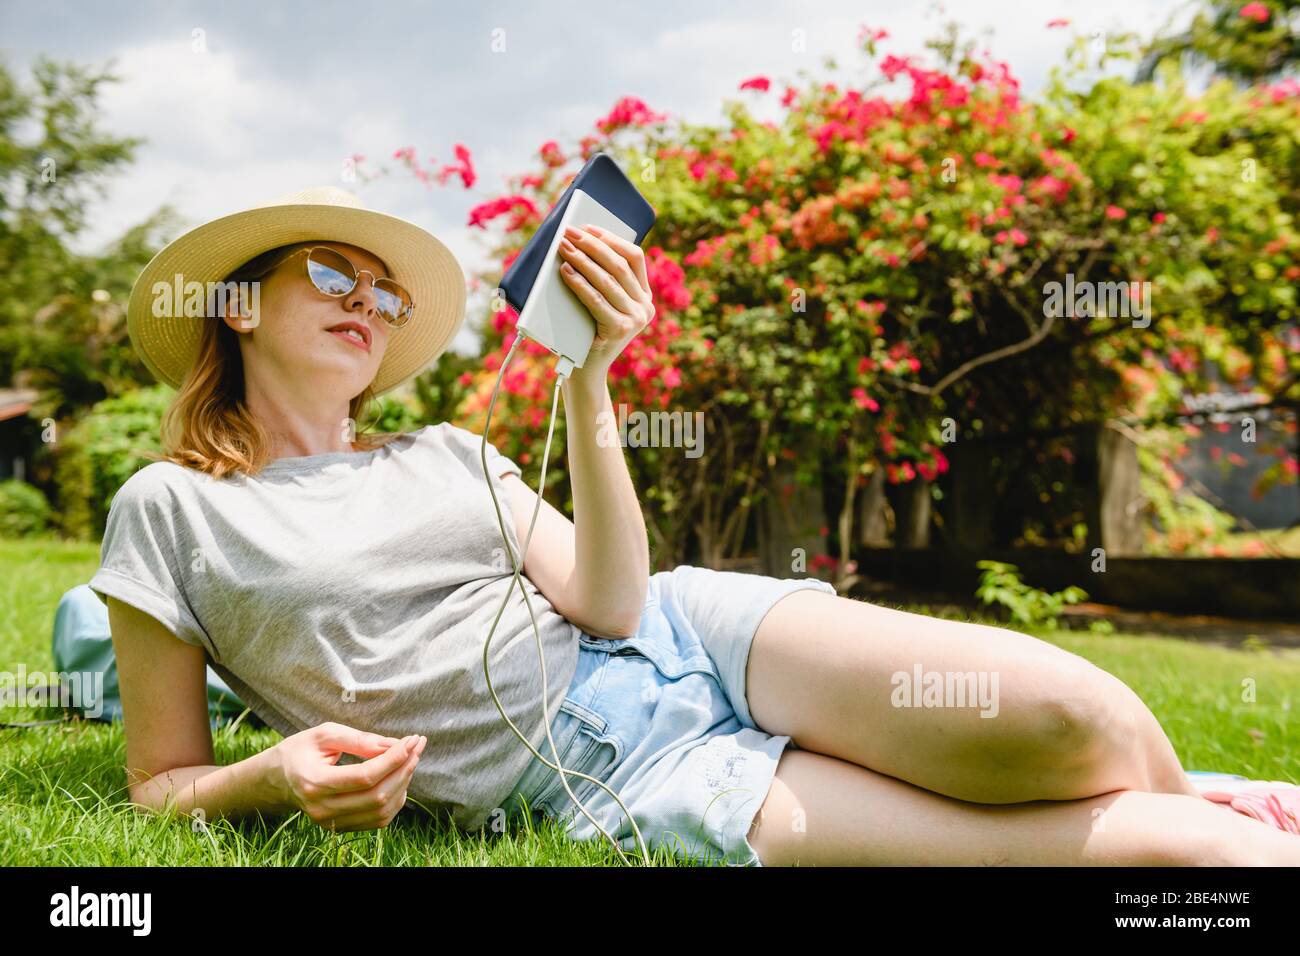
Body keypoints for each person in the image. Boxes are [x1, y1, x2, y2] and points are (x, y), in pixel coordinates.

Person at [89, 186, 1300, 867]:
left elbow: (612, 600)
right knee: (1170, 858)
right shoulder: (172, 509)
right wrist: (269, 773)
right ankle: (1220, 815)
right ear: (237, 306)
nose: (373, 303)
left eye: (386, 288)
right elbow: (158, 783)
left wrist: (591, 378)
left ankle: (1201, 783)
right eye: (335, 277)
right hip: (612, 771)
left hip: (700, 633)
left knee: (1076, 716)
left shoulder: (448, 452)